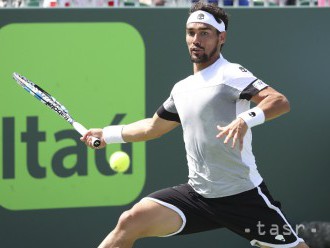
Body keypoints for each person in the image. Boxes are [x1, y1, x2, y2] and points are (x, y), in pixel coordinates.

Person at [81, 2, 309, 248]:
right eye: (191, 32)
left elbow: (278, 101)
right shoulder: (182, 88)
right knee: (131, 220)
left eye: (204, 33)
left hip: (244, 199)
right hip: (198, 197)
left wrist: (245, 119)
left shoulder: (231, 74)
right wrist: (107, 134)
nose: (196, 39)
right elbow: (152, 127)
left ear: (221, 37)